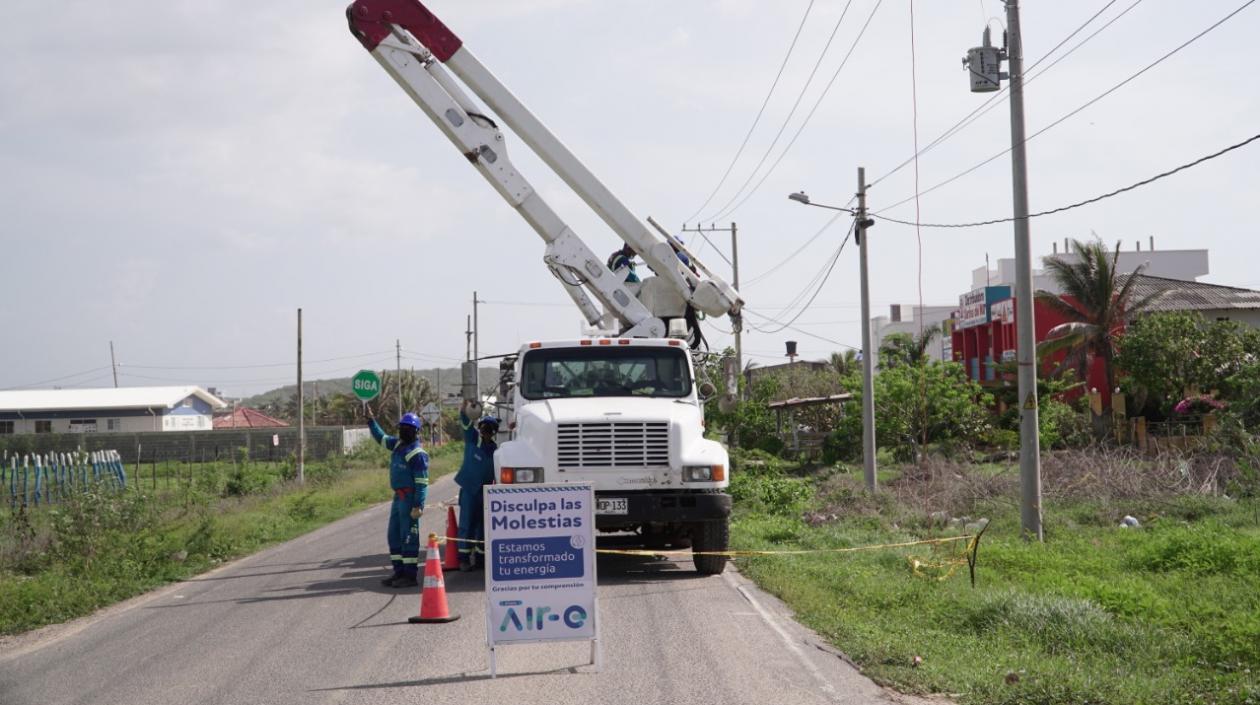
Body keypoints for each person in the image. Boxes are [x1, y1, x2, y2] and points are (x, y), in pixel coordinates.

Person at [365, 405, 429, 588]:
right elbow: (381, 438)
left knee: (408, 536)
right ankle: (398, 571)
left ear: (416, 431)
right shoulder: (398, 445)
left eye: (407, 428)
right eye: (401, 427)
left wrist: (418, 505)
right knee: (394, 535)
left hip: (409, 499)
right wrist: (371, 421)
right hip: (398, 498)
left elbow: (422, 483)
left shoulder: (418, 454)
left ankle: (410, 576)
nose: (403, 430)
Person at [455, 400, 498, 571]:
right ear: (480, 429)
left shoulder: (496, 450)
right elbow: (466, 424)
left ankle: (480, 558)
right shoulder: (473, 440)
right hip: (469, 491)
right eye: (484, 427)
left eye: (489, 429)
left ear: (493, 432)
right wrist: (464, 410)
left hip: (485, 493)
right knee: (466, 524)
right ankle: (464, 558)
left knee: (482, 526)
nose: (486, 431)